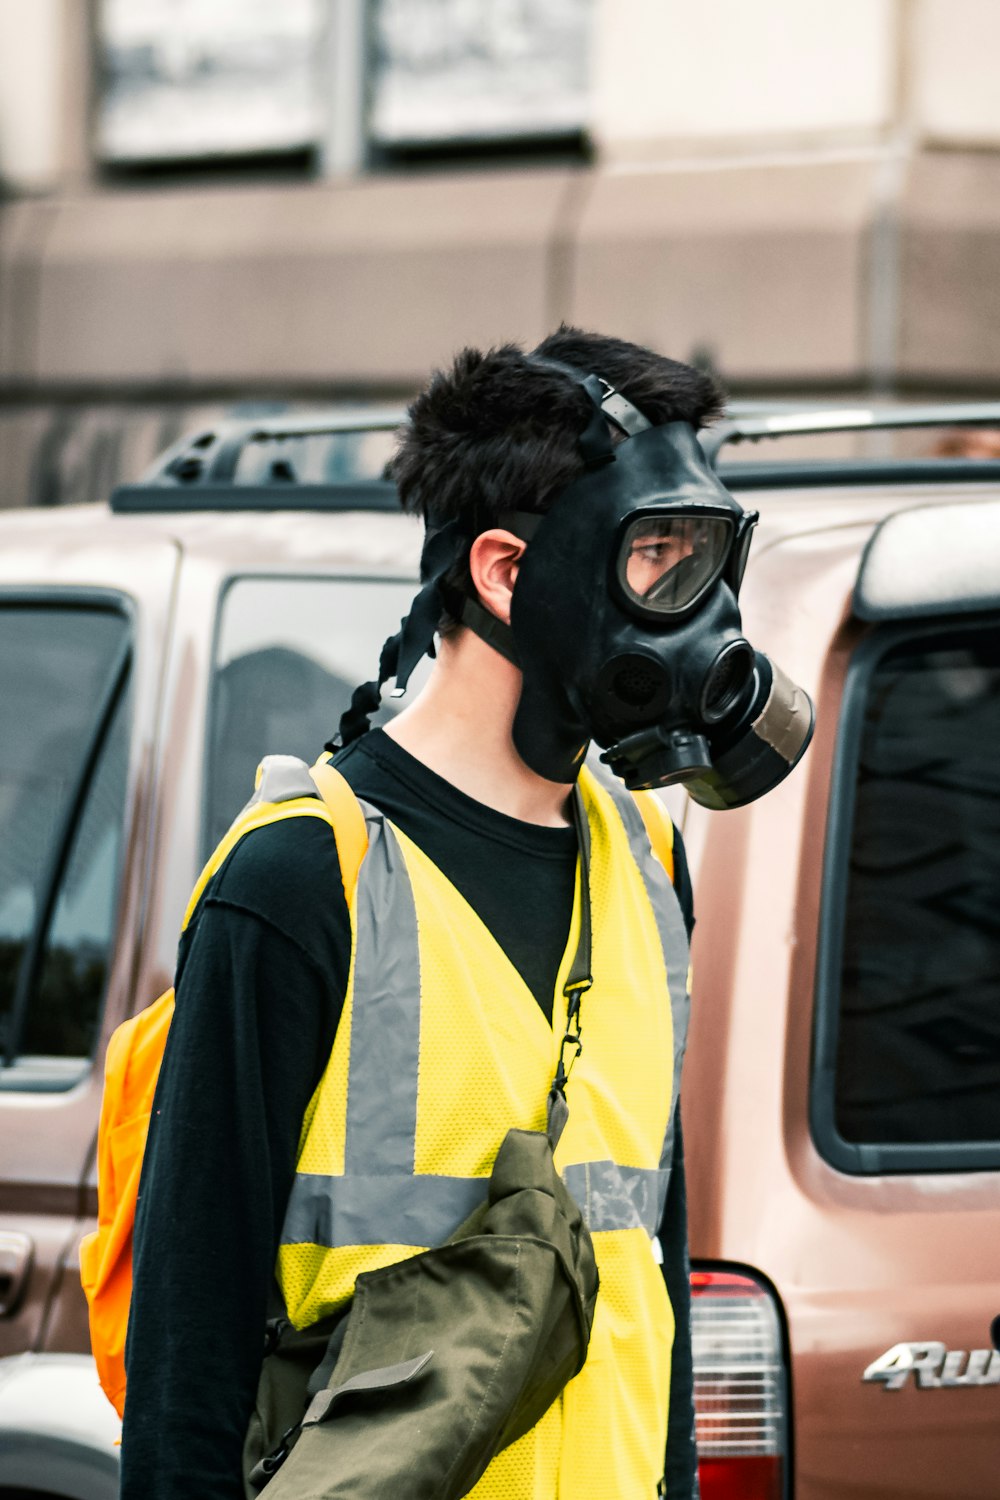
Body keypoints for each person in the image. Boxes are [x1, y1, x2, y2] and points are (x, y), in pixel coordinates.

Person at [121, 328, 732, 1499]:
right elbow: (184, 1379)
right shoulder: (302, 876)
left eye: (703, 559)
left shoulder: (648, 857)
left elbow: (652, 1267)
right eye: (654, 556)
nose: (690, 608)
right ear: (505, 572)